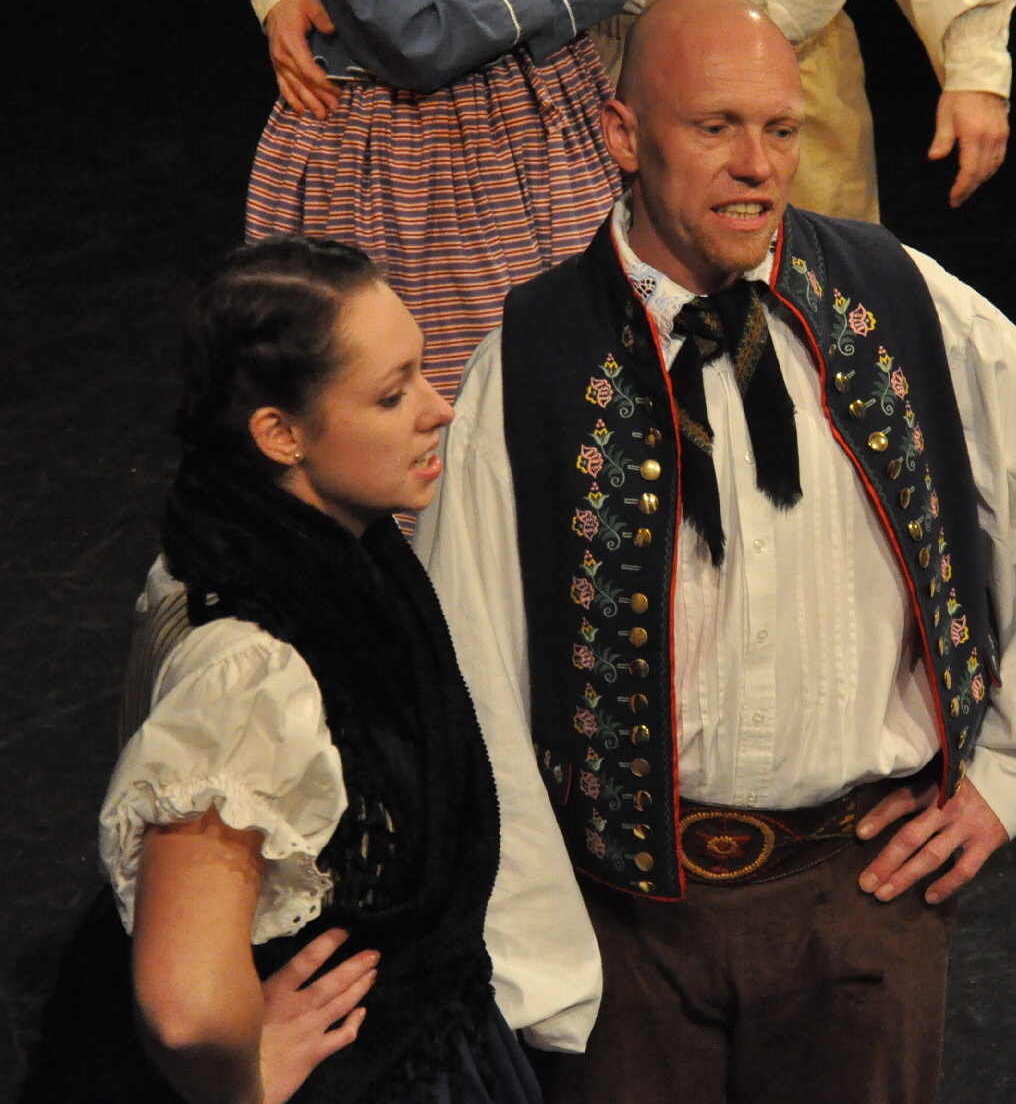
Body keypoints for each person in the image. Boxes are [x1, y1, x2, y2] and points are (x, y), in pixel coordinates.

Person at [416, 0, 1016, 1102]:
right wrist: (538, 954)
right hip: (625, 921)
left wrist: (1012, 778)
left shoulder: (899, 304)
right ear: (623, 134)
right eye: (715, 127)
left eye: (780, 129)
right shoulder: (534, 360)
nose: (757, 166)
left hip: (862, 902)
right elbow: (471, 669)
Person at [20, 237, 594, 1103]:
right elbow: (184, 1005)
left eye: (424, 375)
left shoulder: (283, 542)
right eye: (392, 394)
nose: (439, 409)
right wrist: (245, 1082)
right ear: (280, 433)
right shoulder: (251, 672)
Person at [244, 0, 633, 400]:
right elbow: (413, 39)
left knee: (586, 393)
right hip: (383, 138)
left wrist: (464, 16)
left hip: (548, 115)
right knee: (392, 398)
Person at [589, 0, 1016, 221]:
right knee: (609, 304)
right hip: (612, 67)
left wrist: (974, 62)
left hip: (799, 68)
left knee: (821, 301)